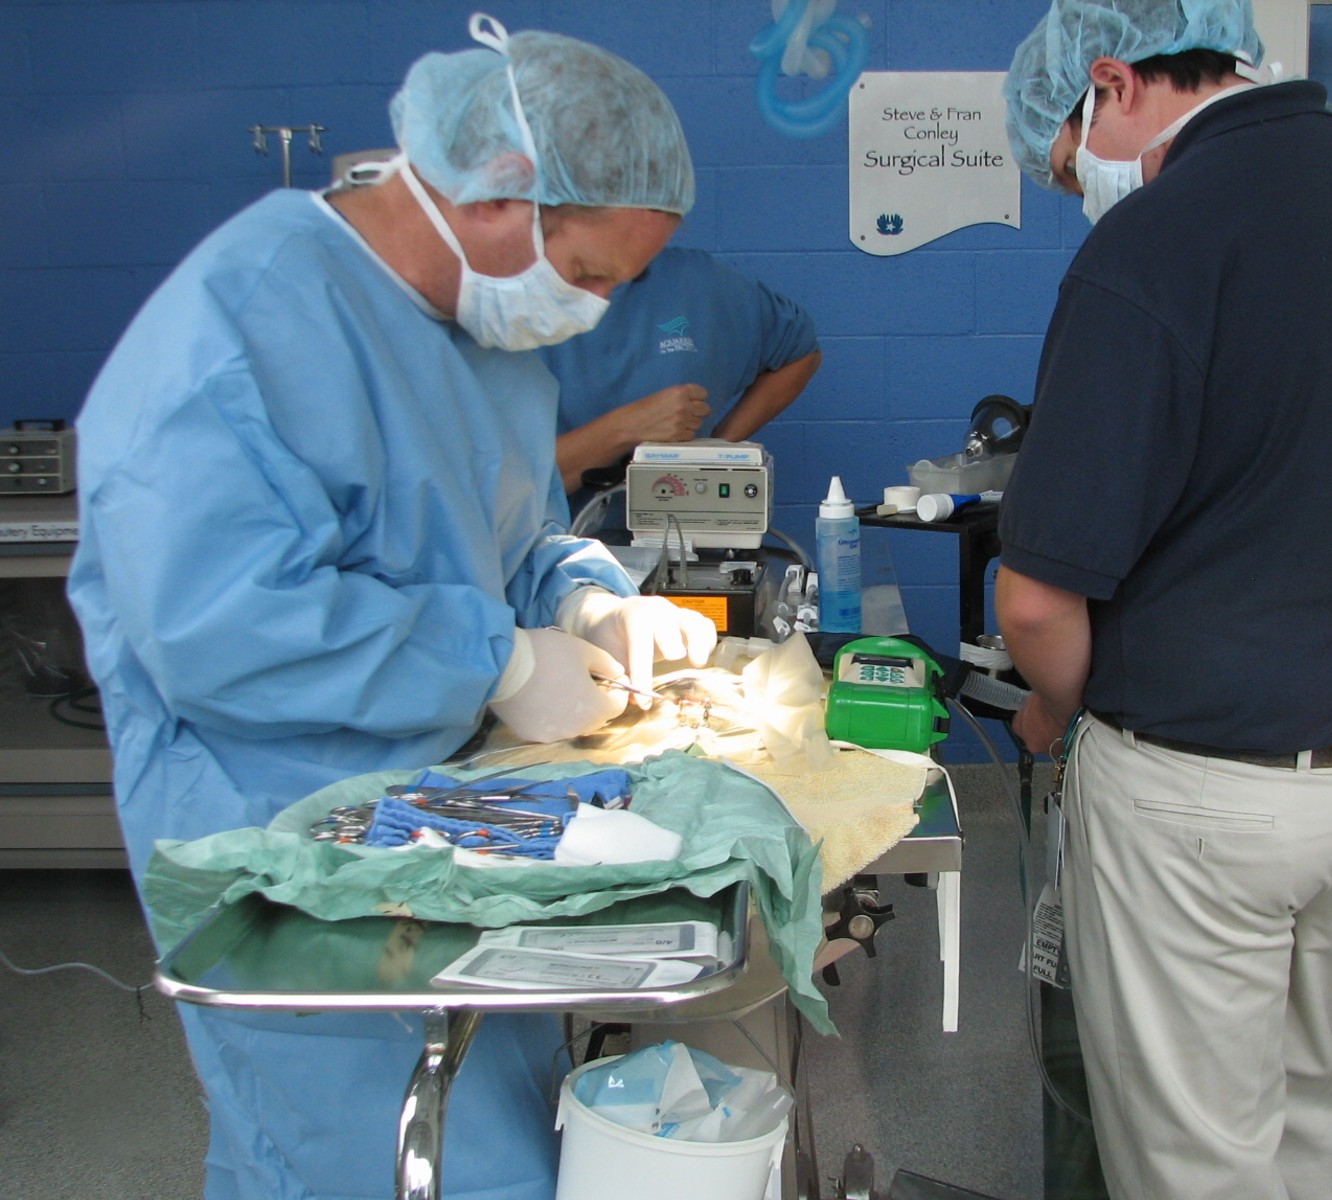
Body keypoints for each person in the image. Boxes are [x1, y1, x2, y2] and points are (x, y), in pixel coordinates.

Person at [67, 15, 714, 1200]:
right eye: (586, 276)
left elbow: (503, 538)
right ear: (498, 198)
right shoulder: (242, 321)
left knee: (495, 1120)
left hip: (451, 830)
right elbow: (222, 629)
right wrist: (495, 666)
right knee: (371, 1166)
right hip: (284, 855)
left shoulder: (489, 332)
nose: (594, 312)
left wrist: (580, 602)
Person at [995, 3, 1332, 1199]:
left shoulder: (1152, 245)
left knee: (1195, 1156)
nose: (1082, 193)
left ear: (1110, 83)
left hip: (1199, 794)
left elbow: (1034, 600)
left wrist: (1062, 705)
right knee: (1311, 1097)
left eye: (1069, 166)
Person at [540, 246, 821, 502]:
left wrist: (714, 450)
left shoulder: (691, 279)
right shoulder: (521, 303)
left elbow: (799, 351)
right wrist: (628, 427)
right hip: (547, 542)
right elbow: (505, 488)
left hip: (675, 541)